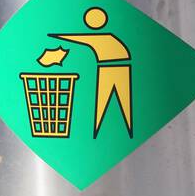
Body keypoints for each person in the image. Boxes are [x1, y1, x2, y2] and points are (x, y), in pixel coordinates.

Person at [51, 7, 133, 138]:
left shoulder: (106, 38)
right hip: (110, 68)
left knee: (115, 104)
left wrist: (60, 36)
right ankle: (105, 130)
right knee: (106, 105)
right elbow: (86, 39)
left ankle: (120, 130)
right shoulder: (109, 38)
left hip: (114, 70)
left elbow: (85, 39)